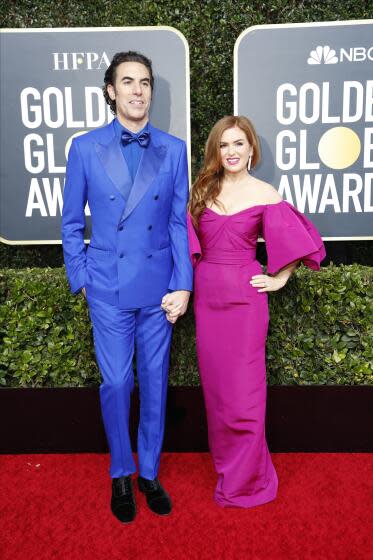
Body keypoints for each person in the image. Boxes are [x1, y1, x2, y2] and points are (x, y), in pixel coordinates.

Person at [62, 51, 192, 523]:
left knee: (154, 385)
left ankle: (149, 473)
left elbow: (179, 222)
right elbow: (72, 222)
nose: (138, 90)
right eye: (128, 82)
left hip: (159, 292)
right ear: (112, 91)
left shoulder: (174, 150)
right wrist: (82, 278)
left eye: (145, 82)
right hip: (107, 287)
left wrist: (183, 284)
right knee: (117, 383)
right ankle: (121, 472)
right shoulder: (84, 148)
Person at [188, 115, 325, 508]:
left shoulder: (266, 193)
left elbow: (300, 239)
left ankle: (247, 481)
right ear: (216, 150)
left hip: (246, 306)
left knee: (245, 394)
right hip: (208, 300)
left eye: (239, 144)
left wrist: (280, 276)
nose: (232, 151)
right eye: (224, 145)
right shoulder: (202, 190)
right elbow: (184, 242)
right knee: (218, 395)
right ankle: (228, 469)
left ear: (251, 149)